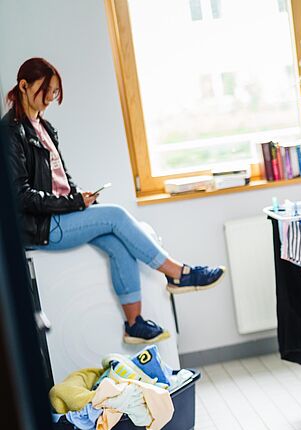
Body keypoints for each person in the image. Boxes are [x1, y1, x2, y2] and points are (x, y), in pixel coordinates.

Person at [3, 57, 226, 345]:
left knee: (117, 241)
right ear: (23, 86)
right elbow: (21, 197)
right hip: (40, 226)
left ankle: (134, 324)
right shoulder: (10, 132)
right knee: (117, 217)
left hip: (61, 214)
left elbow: (61, 180)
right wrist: (74, 203)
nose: (50, 97)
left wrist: (81, 197)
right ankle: (178, 274)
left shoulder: (43, 127)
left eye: (55, 91)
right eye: (46, 89)